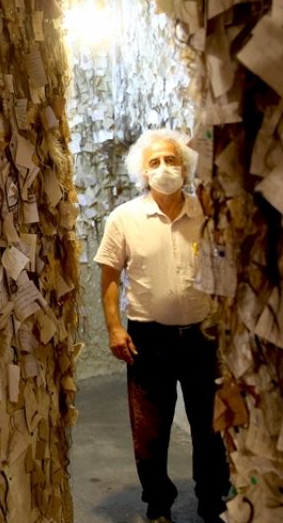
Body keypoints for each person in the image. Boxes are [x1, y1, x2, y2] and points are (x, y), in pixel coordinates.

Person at [94, 129, 230, 523]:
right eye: (154, 163)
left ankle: (211, 499)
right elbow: (109, 276)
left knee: (210, 426)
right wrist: (114, 329)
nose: (163, 168)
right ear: (143, 172)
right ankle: (158, 504)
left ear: (185, 168)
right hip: (148, 338)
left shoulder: (205, 212)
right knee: (150, 428)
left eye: (171, 160)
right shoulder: (125, 218)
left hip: (203, 336)